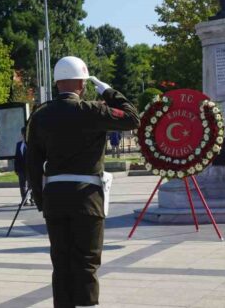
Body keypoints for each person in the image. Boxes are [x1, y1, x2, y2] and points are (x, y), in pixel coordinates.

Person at [26, 56, 140, 308]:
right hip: (87, 198)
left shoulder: (40, 116)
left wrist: (41, 198)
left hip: (55, 198)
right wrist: (108, 90)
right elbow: (132, 118)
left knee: (61, 264)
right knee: (86, 264)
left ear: (57, 84)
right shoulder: (92, 110)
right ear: (81, 84)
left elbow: (32, 162)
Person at [14, 127, 32, 205]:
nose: (24, 135)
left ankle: (33, 199)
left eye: (26, 134)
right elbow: (16, 157)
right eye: (23, 134)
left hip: (30, 169)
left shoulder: (32, 144)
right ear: (22, 134)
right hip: (21, 169)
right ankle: (24, 200)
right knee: (22, 185)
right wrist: (16, 169)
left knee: (31, 185)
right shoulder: (19, 144)